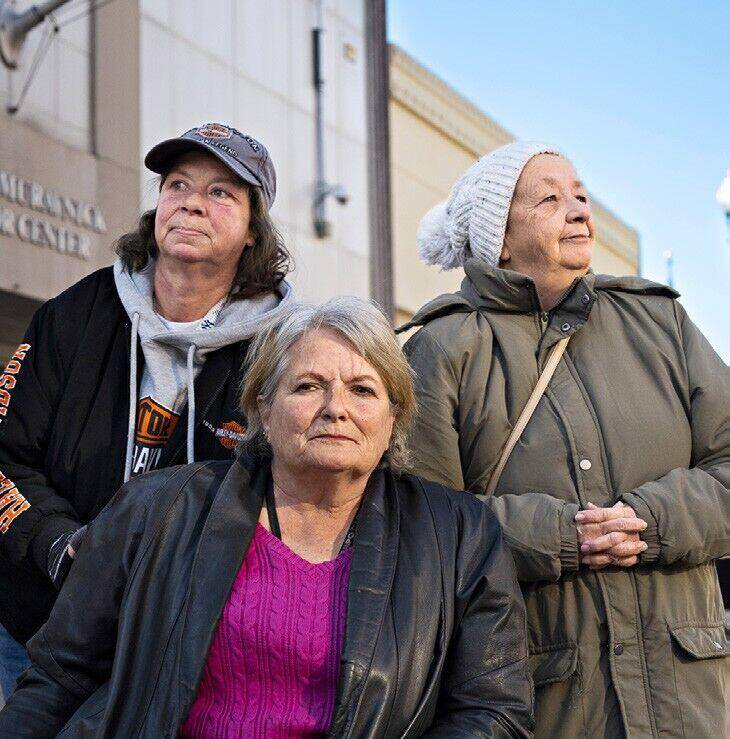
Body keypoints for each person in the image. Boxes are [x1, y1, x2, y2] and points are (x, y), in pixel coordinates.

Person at [0, 297, 533, 737]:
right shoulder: (156, 509)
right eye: (307, 386)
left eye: (363, 390)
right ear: (262, 409)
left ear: (395, 418)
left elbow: (493, 712)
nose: (335, 408)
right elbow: (59, 678)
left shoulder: (460, 537)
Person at [401, 141, 729, 738]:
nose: (579, 210)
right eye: (549, 199)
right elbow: (418, 527)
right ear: (498, 236)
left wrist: (650, 522)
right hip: (546, 705)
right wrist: (557, 536)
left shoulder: (661, 322)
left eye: (580, 195)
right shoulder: (441, 349)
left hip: (693, 703)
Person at [0, 123, 294, 698]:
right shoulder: (74, 314)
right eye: (177, 184)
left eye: (220, 193)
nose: (190, 202)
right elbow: (5, 453)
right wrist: (59, 544)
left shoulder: (283, 352)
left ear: (254, 231)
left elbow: (295, 501)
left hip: (183, 647)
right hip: (34, 624)